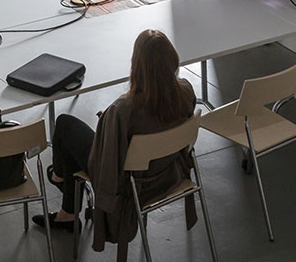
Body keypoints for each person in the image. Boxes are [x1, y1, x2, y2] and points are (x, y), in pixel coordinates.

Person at [32, 29, 198, 251]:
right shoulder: (186, 91)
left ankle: (60, 180)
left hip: (129, 183)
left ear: (136, 66)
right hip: (168, 172)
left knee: (64, 124)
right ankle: (66, 207)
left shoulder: (123, 110)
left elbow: (105, 161)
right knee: (75, 143)